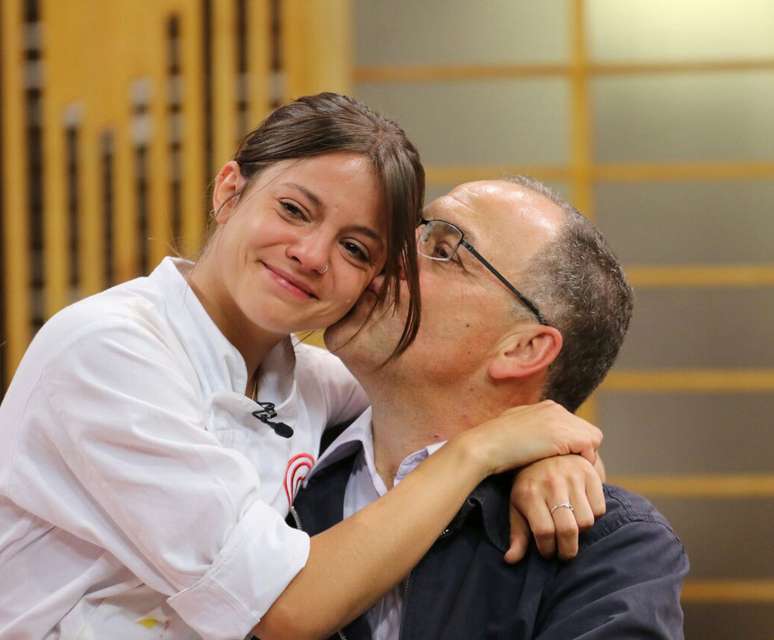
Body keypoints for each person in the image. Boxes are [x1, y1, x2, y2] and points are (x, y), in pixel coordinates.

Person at [0, 95, 605, 640]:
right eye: (294, 210)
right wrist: (482, 452)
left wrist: (549, 456)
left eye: (355, 249)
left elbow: (439, 409)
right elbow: (287, 608)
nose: (311, 255)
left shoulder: (309, 380)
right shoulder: (111, 349)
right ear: (229, 191)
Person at [295, 176, 689, 639]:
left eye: (444, 249)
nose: (390, 252)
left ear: (521, 349)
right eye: (412, 232)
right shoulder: (269, 456)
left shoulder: (611, 547)